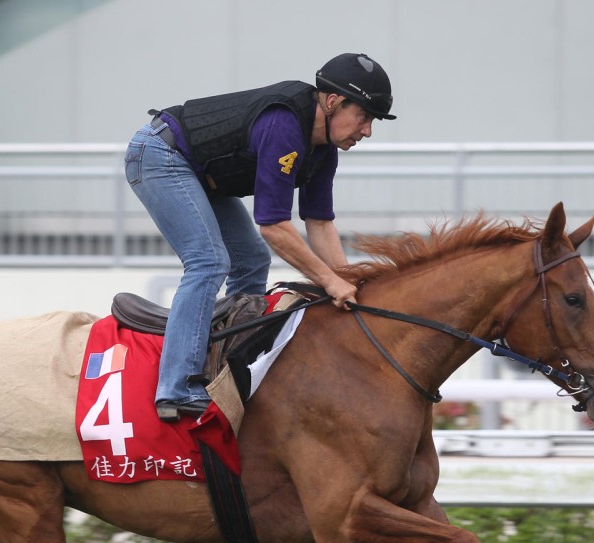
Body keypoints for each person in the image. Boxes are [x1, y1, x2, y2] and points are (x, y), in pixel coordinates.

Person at [125, 53, 396, 421]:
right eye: (364, 116)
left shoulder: (324, 151)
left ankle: (230, 367)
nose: (367, 131)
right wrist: (330, 282)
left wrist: (349, 283)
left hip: (201, 172)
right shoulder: (284, 125)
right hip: (161, 154)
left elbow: (319, 223)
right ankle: (176, 389)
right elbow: (273, 226)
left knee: (252, 260)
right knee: (208, 261)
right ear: (332, 102)